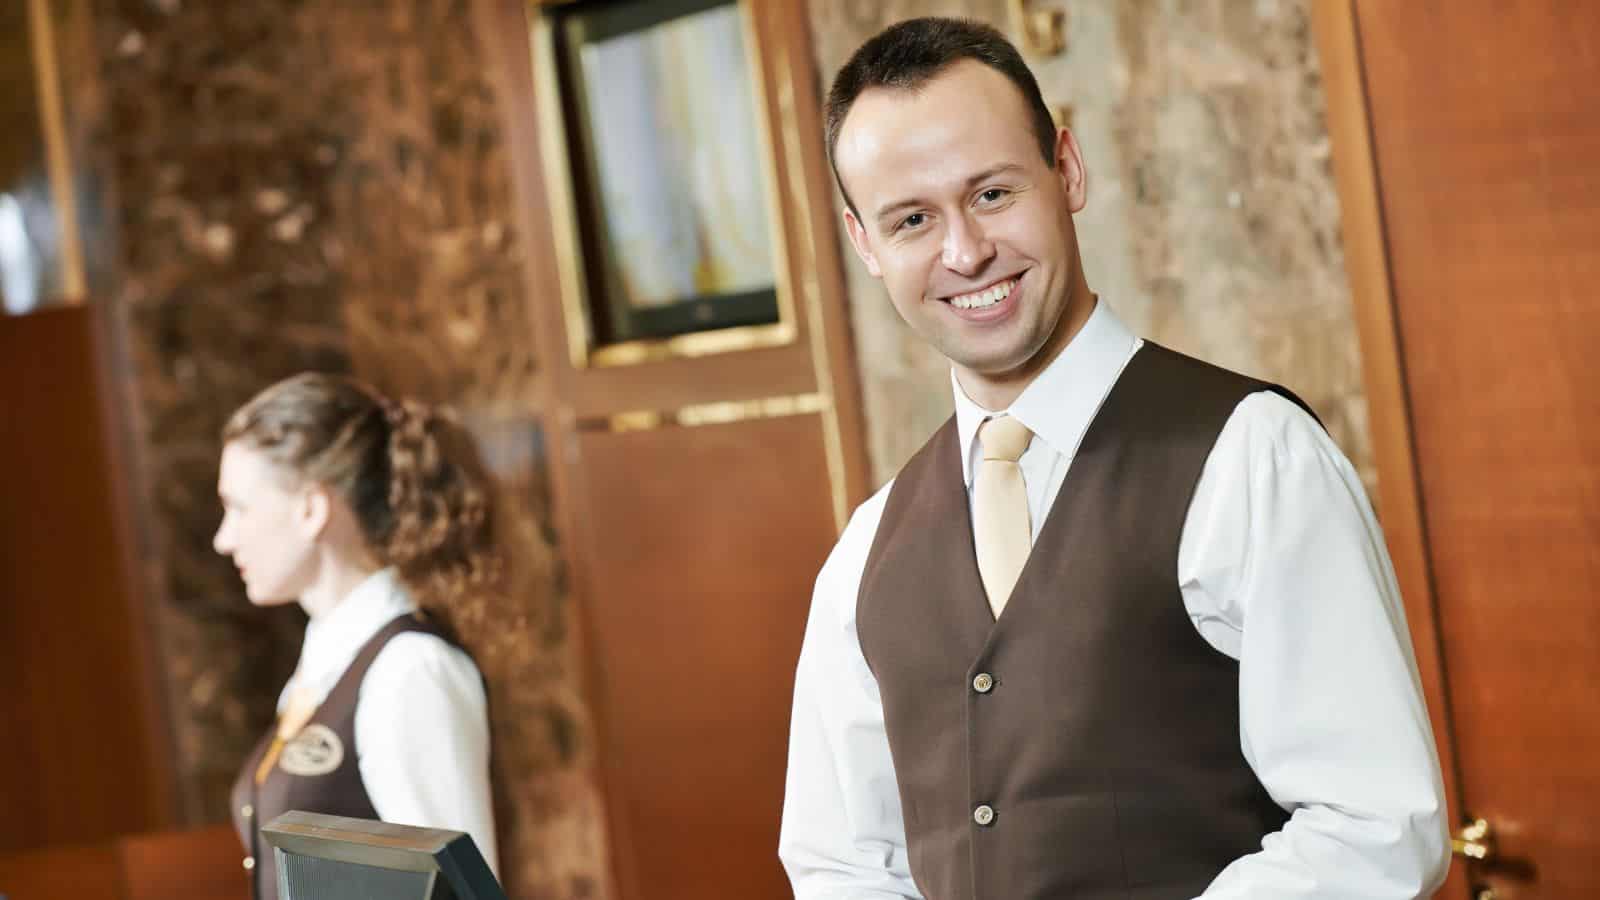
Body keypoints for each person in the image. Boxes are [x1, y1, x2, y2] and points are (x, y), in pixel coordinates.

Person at [779, 17, 1449, 900]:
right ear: (866, 244)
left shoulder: (1252, 456)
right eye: (911, 219)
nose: (965, 252)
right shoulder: (865, 555)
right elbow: (843, 867)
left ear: (1067, 169)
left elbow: (1376, 826)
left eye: (991, 194)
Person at [214, 372, 499, 900]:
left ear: (311, 509)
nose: (222, 539)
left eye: (239, 508)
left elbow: (465, 893)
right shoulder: (325, 660)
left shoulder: (408, 669)